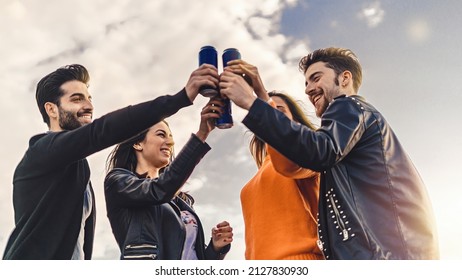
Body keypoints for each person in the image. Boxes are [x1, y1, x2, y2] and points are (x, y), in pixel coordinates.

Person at [219, 47, 439, 259]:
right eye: (306, 83)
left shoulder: (348, 106)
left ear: (344, 79)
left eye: (316, 78)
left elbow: (319, 152)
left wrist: (253, 102)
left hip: (385, 256)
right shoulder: (349, 129)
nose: (307, 89)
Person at [3, 63, 219, 260]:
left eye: (89, 98)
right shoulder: (41, 151)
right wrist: (181, 98)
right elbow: (102, 131)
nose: (88, 105)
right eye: (77, 99)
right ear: (52, 109)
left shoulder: (78, 167)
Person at [104, 98, 233, 260]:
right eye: (161, 134)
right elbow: (158, 190)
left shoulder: (180, 201)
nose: (170, 142)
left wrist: (215, 248)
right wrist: (201, 135)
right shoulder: (118, 183)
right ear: (138, 143)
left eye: (170, 136)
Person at [241, 90, 323, 260]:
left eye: (280, 111)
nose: (272, 114)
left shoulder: (308, 151)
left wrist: (263, 106)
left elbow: (288, 163)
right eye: (269, 110)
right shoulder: (260, 173)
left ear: (296, 123)